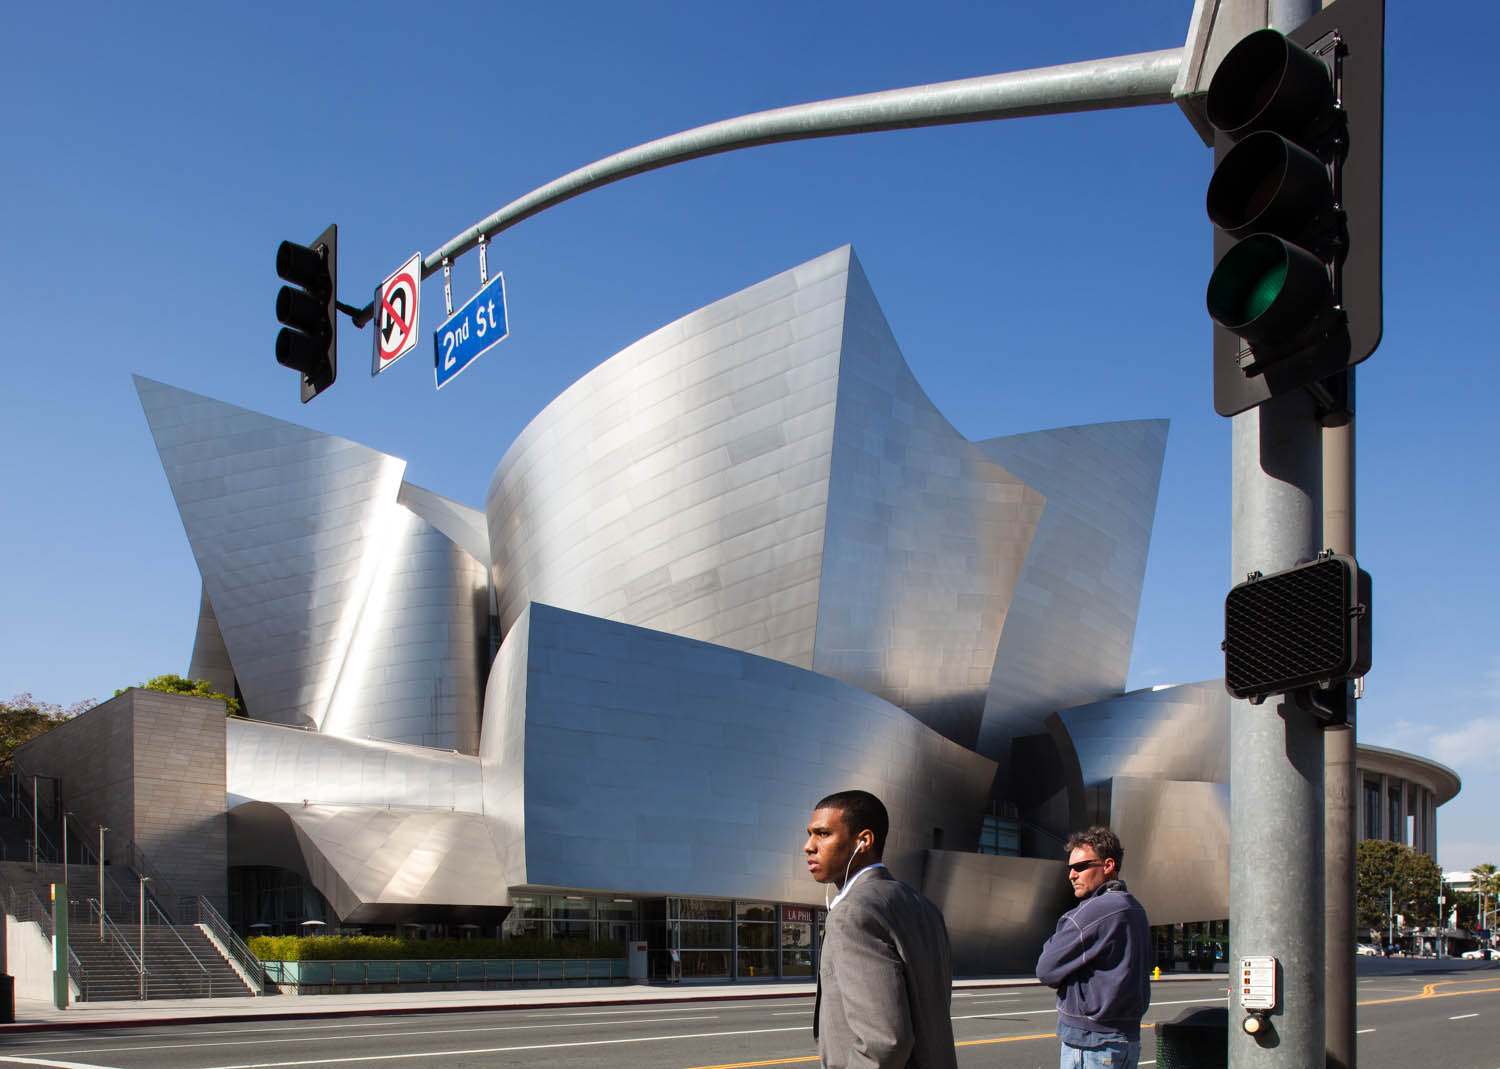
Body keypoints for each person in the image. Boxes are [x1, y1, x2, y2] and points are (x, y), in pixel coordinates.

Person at [804, 789, 957, 1069]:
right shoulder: (924, 905)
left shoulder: (852, 912)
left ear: (863, 841)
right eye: (810, 834)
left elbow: (884, 1044)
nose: (809, 846)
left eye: (823, 834)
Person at [1035, 825, 1152, 1069]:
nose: (1072, 875)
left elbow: (1045, 968)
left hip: (1090, 1045)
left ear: (1108, 865)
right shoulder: (1135, 909)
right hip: (1125, 1039)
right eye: (1070, 868)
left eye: (1080, 867)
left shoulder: (1090, 913)